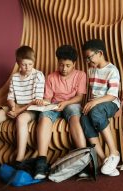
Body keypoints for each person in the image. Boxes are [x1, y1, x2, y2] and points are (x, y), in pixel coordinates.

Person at [0, 46, 45, 175]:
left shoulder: (38, 75)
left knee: (21, 119)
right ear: (18, 63)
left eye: (30, 64)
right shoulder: (15, 77)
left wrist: (18, 112)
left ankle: (19, 159)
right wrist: (12, 108)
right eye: (24, 64)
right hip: (16, 105)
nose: (27, 67)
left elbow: (35, 100)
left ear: (34, 62)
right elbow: (10, 97)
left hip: (31, 107)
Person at [34, 45, 87, 179]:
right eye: (61, 65)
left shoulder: (81, 75)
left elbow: (80, 97)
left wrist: (66, 103)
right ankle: (41, 161)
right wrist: (44, 103)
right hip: (55, 105)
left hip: (72, 104)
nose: (64, 69)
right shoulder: (51, 77)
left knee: (75, 117)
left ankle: (84, 161)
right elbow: (47, 98)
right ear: (58, 62)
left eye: (68, 65)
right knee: (44, 117)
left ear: (74, 64)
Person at [81, 39, 121, 176]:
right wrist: (89, 103)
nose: (88, 61)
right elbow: (91, 94)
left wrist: (93, 103)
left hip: (110, 103)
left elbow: (112, 95)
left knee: (95, 111)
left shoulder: (112, 70)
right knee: (84, 118)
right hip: (95, 105)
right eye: (86, 58)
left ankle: (114, 152)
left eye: (89, 57)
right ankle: (105, 160)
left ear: (100, 53)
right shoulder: (91, 70)